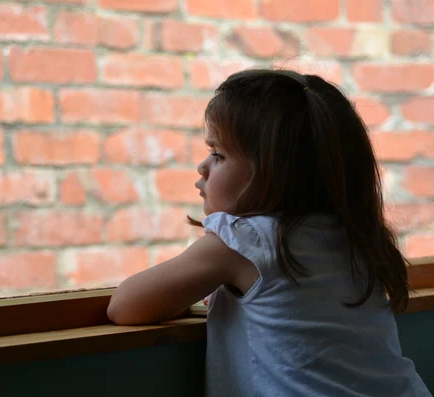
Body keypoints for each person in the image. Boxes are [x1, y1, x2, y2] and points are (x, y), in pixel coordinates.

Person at [106, 68, 431, 396]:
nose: (203, 166)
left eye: (218, 155)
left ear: (276, 174)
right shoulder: (355, 237)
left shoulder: (246, 240)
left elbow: (123, 306)